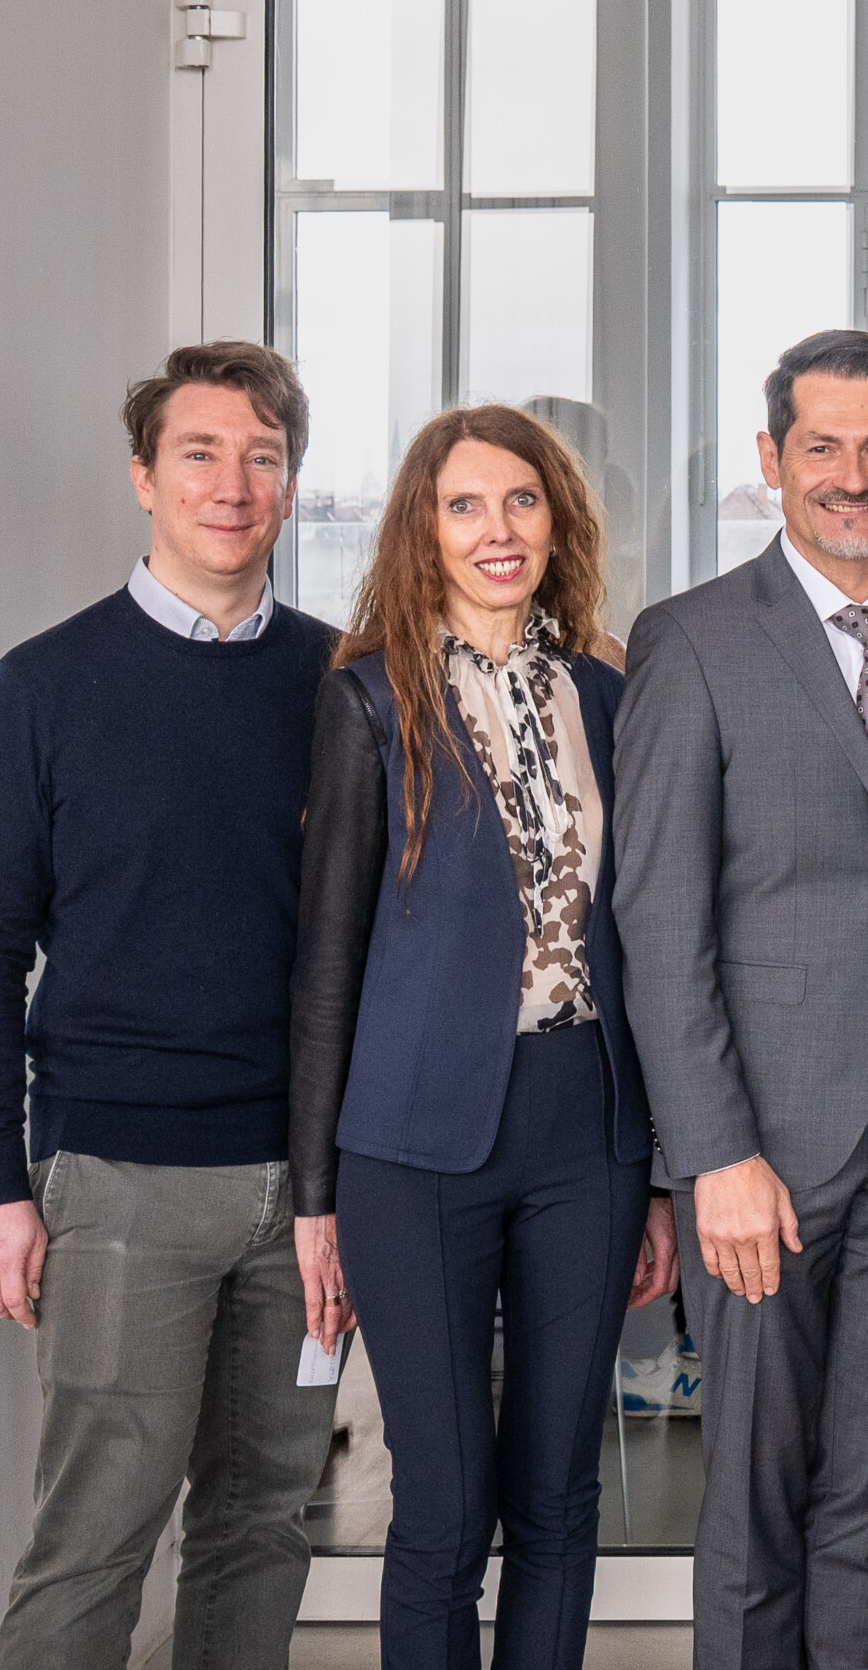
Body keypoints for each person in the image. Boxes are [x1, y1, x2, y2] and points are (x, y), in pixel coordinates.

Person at [612, 329, 868, 1670]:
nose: (852, 476)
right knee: (755, 1501)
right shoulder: (690, 641)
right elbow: (659, 923)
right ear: (771, 459)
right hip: (768, 1145)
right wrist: (712, 1155)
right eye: (821, 447)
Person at [286, 406, 679, 1669]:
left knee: (559, 1494)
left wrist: (659, 1176)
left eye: (521, 500)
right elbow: (327, 960)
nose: (496, 529)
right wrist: (314, 1197)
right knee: (447, 1507)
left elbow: (650, 946)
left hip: (588, 1135)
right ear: (425, 530)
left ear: (556, 521)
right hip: (412, 1148)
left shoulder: (610, 697)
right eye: (464, 505)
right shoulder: (367, 701)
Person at [0, 342, 342, 1670]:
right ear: (143, 477)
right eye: (199, 453)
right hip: (121, 1183)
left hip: (308, 1196)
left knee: (264, 1525)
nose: (231, 485)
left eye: (261, 457)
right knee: (94, 1541)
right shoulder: (45, 687)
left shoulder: (343, 686)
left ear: (290, 484)